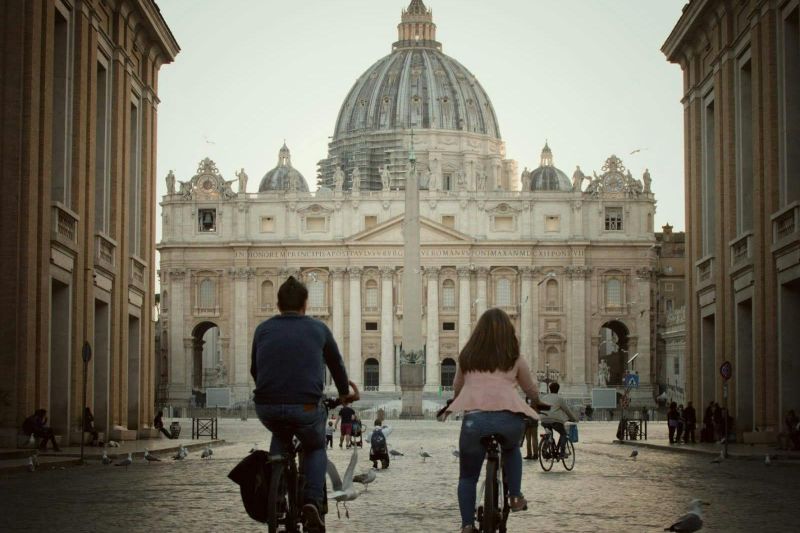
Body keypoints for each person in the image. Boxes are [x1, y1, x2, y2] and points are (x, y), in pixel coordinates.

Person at [251, 276, 359, 532]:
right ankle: (312, 500)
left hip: (266, 406)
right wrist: (344, 393)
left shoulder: (262, 329)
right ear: (305, 304)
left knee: (279, 431)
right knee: (315, 446)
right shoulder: (318, 328)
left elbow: (255, 369)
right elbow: (337, 366)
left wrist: (270, 390)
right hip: (306, 406)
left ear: (278, 304)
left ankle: (276, 493)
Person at [442, 308, 549, 533]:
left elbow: (457, 386)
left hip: (474, 422)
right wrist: (537, 401)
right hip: (508, 419)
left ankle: (467, 525)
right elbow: (529, 387)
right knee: (511, 448)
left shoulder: (467, 356)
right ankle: (515, 496)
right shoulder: (513, 357)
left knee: (468, 476)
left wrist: (454, 400)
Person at [540, 382, 578, 457]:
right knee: (564, 434)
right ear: (558, 389)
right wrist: (573, 419)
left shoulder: (544, 398)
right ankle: (562, 452)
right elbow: (567, 410)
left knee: (549, 434)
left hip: (543, 419)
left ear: (550, 389)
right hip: (555, 421)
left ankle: (545, 448)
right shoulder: (560, 399)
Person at [523, 396, 539, 461]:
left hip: (527, 422)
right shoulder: (535, 402)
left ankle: (529, 454)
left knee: (528, 439)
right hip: (533, 422)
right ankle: (535, 454)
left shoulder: (526, 404)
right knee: (534, 439)